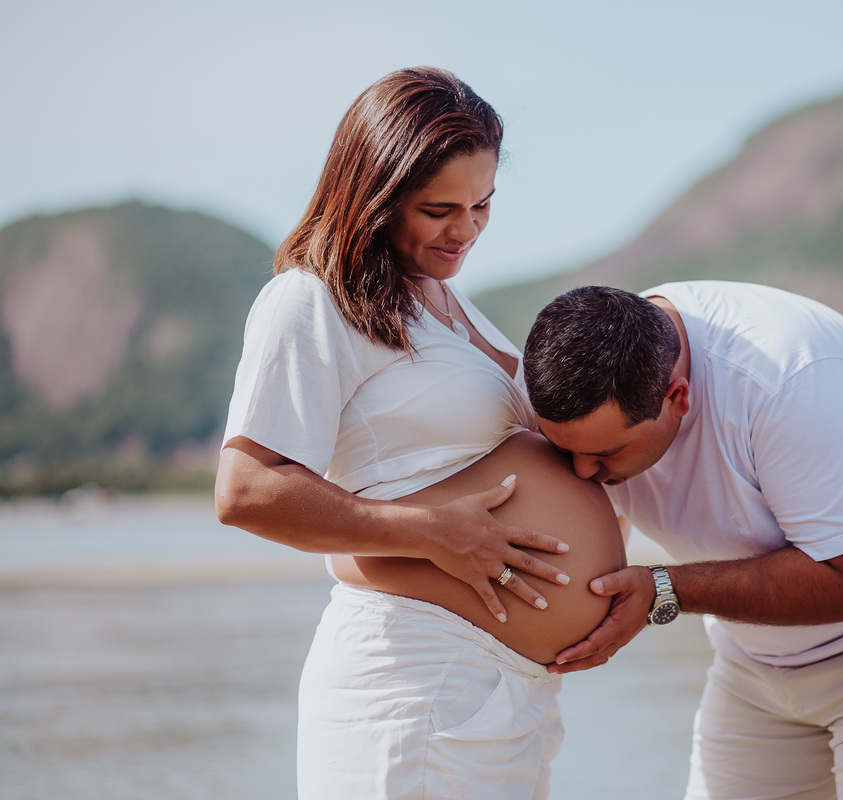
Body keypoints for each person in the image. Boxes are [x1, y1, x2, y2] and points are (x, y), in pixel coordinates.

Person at [214, 68, 625, 800]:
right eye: (440, 209)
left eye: (483, 204)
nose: (465, 229)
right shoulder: (311, 301)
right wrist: (430, 531)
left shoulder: (444, 302)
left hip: (504, 693)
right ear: (375, 194)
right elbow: (247, 489)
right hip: (409, 680)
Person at [522, 282, 843, 800]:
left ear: (678, 397)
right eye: (566, 451)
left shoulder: (785, 378)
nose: (583, 471)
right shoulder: (572, 361)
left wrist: (663, 589)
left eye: (606, 453)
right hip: (758, 660)